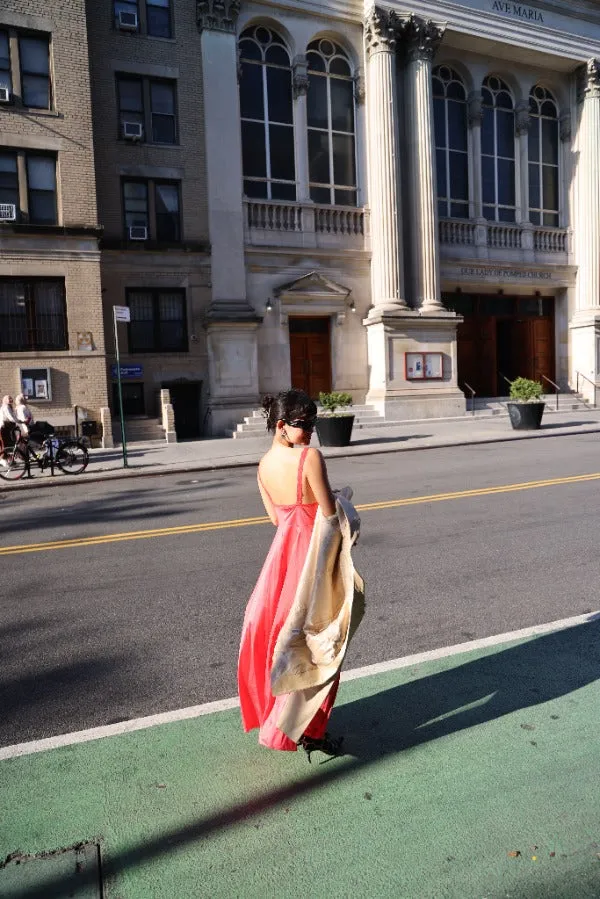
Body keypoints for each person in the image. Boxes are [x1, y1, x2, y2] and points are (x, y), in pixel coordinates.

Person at [238, 388, 356, 758]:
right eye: (304, 425)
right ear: (280, 425)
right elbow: (328, 513)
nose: (310, 432)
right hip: (313, 556)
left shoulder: (261, 466)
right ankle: (308, 730)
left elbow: (276, 518)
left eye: (313, 424)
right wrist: (343, 499)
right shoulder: (309, 457)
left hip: (282, 558)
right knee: (322, 639)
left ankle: (288, 721)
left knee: (283, 638)